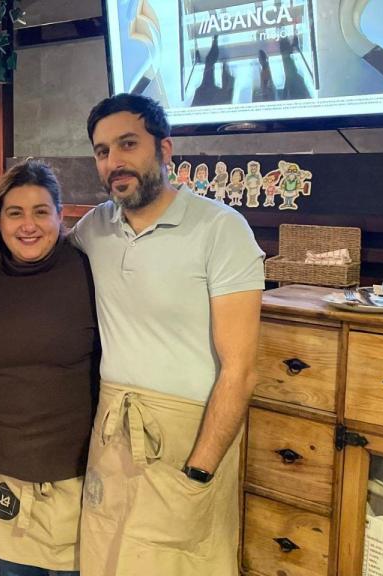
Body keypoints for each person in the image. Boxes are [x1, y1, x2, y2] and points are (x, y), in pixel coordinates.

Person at [71, 93, 264, 575]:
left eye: (128, 144)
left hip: (188, 437)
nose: (114, 162)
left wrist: (200, 469)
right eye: (102, 151)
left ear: (164, 149)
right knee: (105, 562)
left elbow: (240, 371)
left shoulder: (221, 229)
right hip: (112, 430)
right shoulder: (94, 229)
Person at [0, 160, 99, 576]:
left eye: (41, 211)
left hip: (78, 474)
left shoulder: (90, 271)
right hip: (5, 471)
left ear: (61, 215)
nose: (29, 225)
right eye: (15, 212)